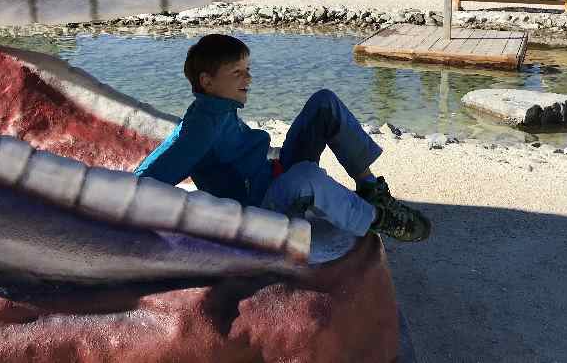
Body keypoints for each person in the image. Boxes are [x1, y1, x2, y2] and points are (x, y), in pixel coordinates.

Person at [134, 33, 431, 242]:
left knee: (323, 103)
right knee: (307, 176)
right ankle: (377, 220)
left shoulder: (220, 107)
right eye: (237, 72)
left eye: (247, 70)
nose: (248, 79)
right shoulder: (198, 130)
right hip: (259, 208)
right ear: (207, 81)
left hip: (272, 174)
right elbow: (147, 177)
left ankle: (371, 189)